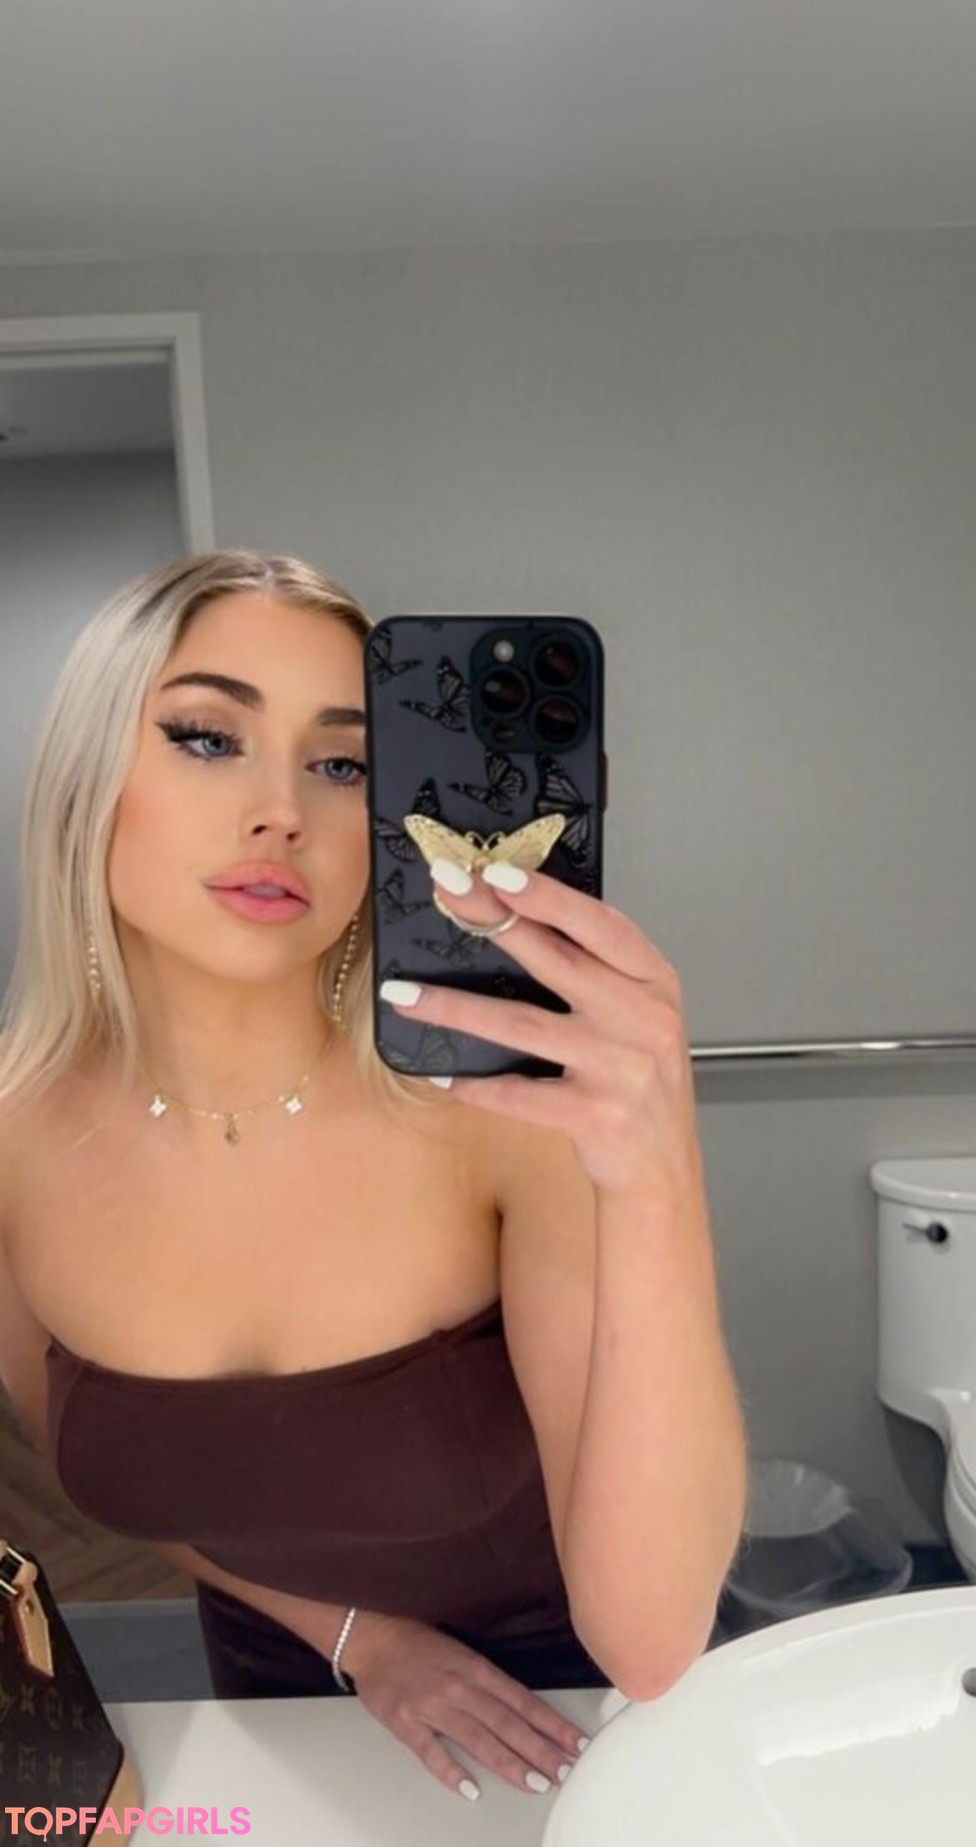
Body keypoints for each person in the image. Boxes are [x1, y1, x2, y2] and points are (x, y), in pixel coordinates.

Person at [0, 551, 747, 1807]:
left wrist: (656, 1174)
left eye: (344, 764)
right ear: (88, 778)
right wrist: (362, 1637)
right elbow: (120, 1479)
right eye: (206, 737)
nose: (282, 810)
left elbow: (652, 1641)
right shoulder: (13, 1140)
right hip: (267, 1705)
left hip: (573, 1723)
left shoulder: (499, 1114)